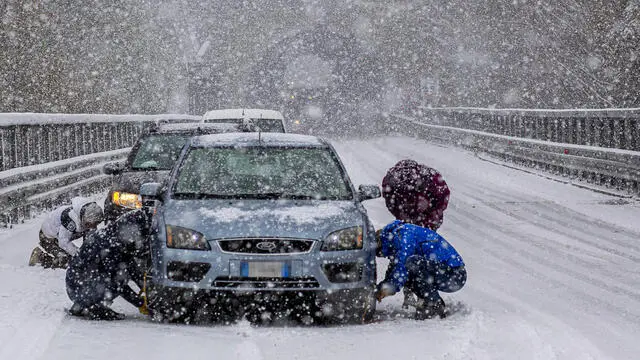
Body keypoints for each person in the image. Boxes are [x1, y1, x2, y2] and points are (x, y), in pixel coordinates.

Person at [375, 160, 466, 319]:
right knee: (409, 264)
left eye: (381, 253)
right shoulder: (399, 233)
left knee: (412, 263)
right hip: (444, 270)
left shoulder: (404, 235)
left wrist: (388, 288)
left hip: (454, 275)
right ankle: (424, 299)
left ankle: (433, 304)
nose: (383, 255)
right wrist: (381, 286)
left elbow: (402, 263)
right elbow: (396, 266)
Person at [66, 209, 151, 320]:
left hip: (83, 284)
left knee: (123, 271)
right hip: (79, 287)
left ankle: (87, 304)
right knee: (118, 279)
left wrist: (146, 288)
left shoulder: (116, 237)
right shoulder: (109, 245)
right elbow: (118, 281)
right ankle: (92, 307)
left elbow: (132, 268)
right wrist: (140, 303)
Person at [29, 198, 104, 268]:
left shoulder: (87, 219)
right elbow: (63, 243)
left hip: (62, 235)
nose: (93, 226)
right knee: (67, 261)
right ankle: (39, 257)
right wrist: (80, 255)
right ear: (84, 218)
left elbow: (90, 240)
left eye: (97, 223)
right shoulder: (69, 220)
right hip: (48, 238)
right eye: (91, 224)